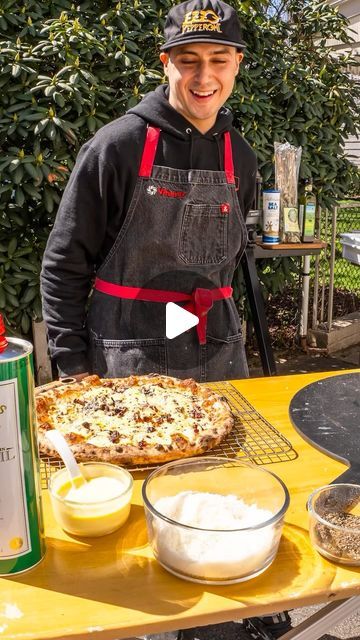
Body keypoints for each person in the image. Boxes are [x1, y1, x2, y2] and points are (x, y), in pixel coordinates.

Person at [41, 0, 291, 636]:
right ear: (166, 64)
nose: (204, 76)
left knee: (222, 497)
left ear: (237, 65)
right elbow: (63, 264)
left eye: (219, 60)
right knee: (129, 525)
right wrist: (73, 373)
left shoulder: (241, 153)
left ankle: (228, 609)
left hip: (215, 350)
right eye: (188, 61)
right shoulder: (118, 146)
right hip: (130, 357)